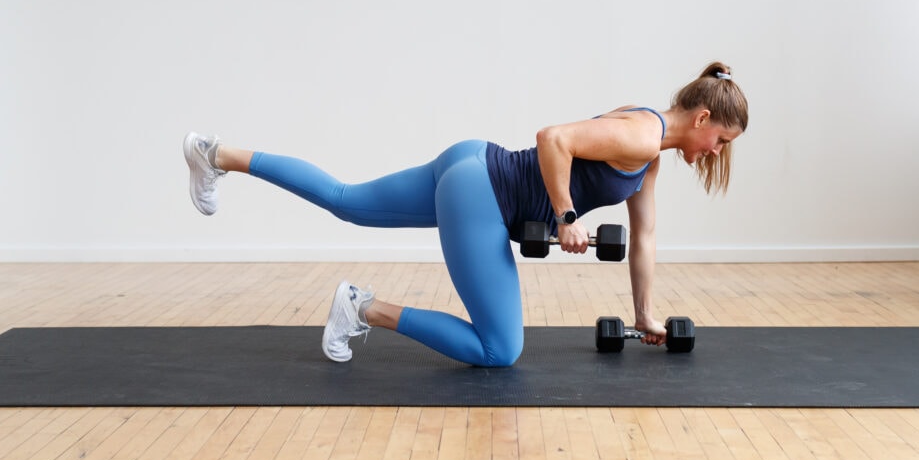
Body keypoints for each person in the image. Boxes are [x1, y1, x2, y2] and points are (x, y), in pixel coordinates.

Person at [183, 62, 748, 367]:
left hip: (472, 161)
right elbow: (554, 138)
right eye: (721, 139)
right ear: (702, 118)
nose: (717, 152)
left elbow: (644, 237)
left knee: (346, 200)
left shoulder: (650, 152)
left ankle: (216, 153)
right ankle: (362, 308)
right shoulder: (643, 136)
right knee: (500, 351)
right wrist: (566, 213)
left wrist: (645, 315)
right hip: (484, 196)